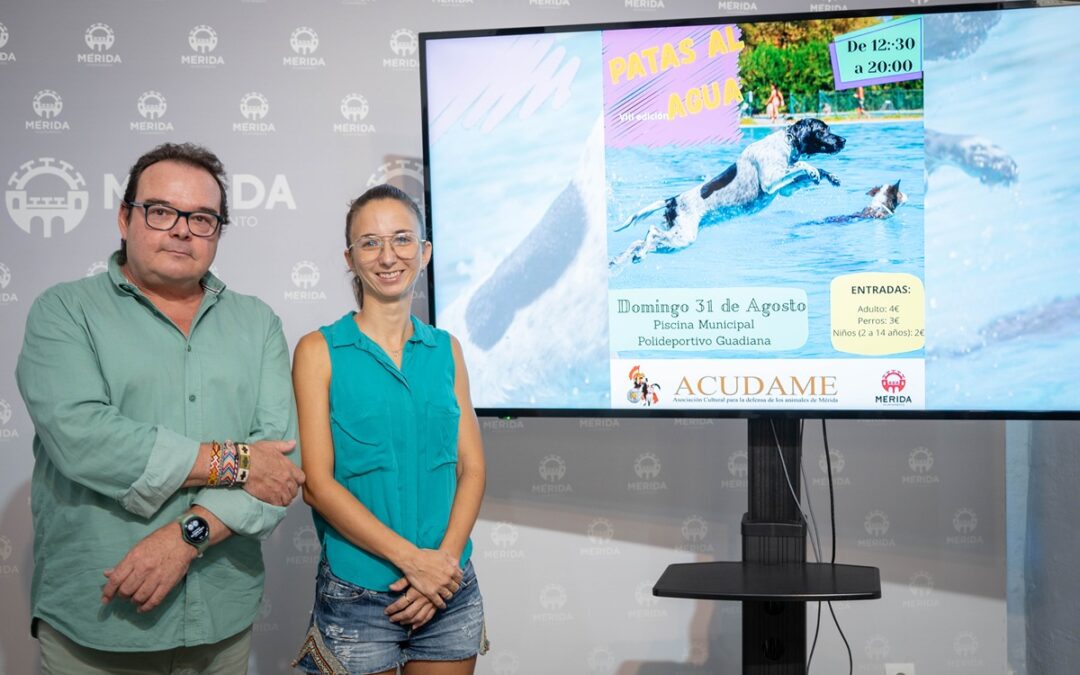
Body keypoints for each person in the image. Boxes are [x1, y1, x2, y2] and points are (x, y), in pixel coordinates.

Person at [15, 142, 305, 674]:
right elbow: (84, 437)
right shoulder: (64, 311)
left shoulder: (257, 322)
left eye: (202, 218)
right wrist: (238, 461)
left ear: (218, 231)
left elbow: (280, 465)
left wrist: (185, 537)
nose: (181, 230)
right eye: (162, 211)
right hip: (101, 621)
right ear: (125, 218)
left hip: (224, 620)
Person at [292, 185, 487, 675]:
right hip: (359, 594)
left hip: (449, 588)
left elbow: (473, 469)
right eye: (370, 242)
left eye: (402, 239)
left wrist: (440, 568)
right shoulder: (318, 351)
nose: (387, 256)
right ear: (350, 257)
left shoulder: (448, 349)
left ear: (424, 252)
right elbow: (317, 485)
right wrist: (413, 563)